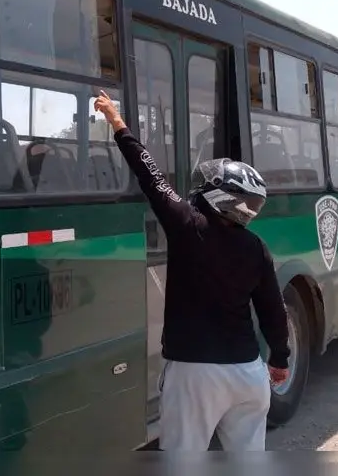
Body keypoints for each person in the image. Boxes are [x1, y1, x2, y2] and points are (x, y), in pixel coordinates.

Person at [93, 90, 290, 452]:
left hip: (195, 374)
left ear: (216, 195)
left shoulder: (187, 225)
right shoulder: (256, 247)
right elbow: (273, 312)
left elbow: (150, 175)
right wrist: (279, 360)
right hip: (248, 374)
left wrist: (117, 122)